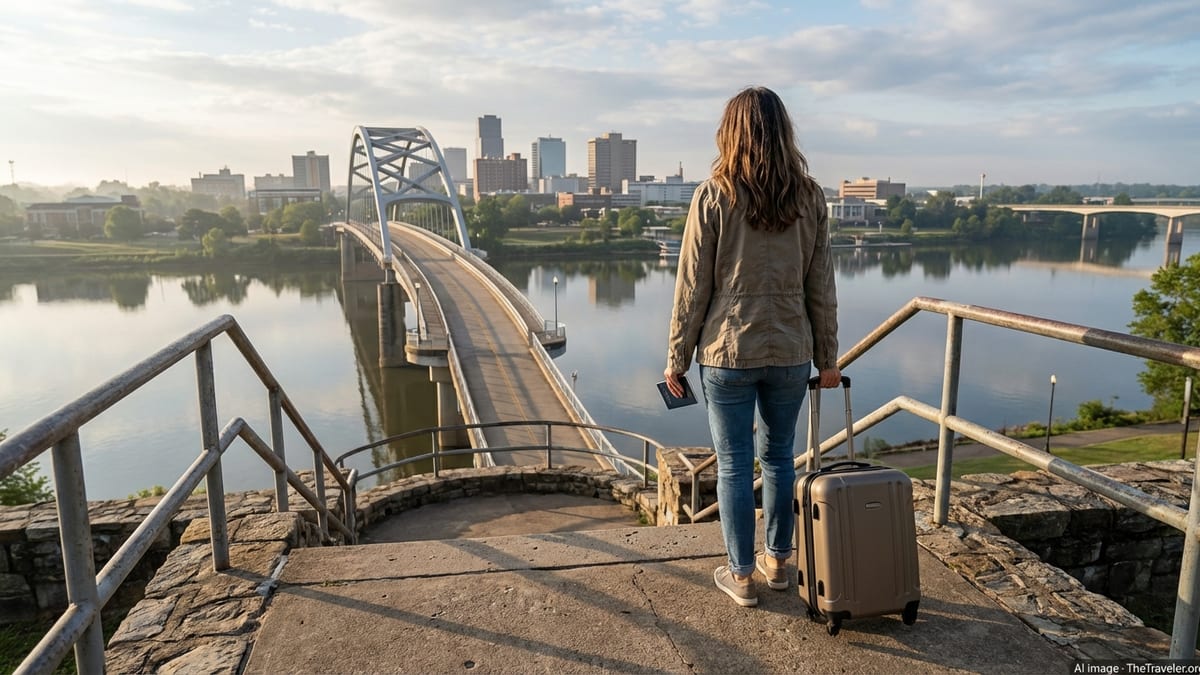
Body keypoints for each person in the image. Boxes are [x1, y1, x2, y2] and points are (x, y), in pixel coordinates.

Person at [664, 86, 840, 608]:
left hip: (727, 350)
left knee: (735, 464)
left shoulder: (713, 194)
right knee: (781, 457)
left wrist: (676, 357)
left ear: (730, 131)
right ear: (784, 131)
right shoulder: (809, 196)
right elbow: (822, 286)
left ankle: (741, 577)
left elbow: (692, 286)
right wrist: (828, 358)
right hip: (790, 350)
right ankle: (779, 563)